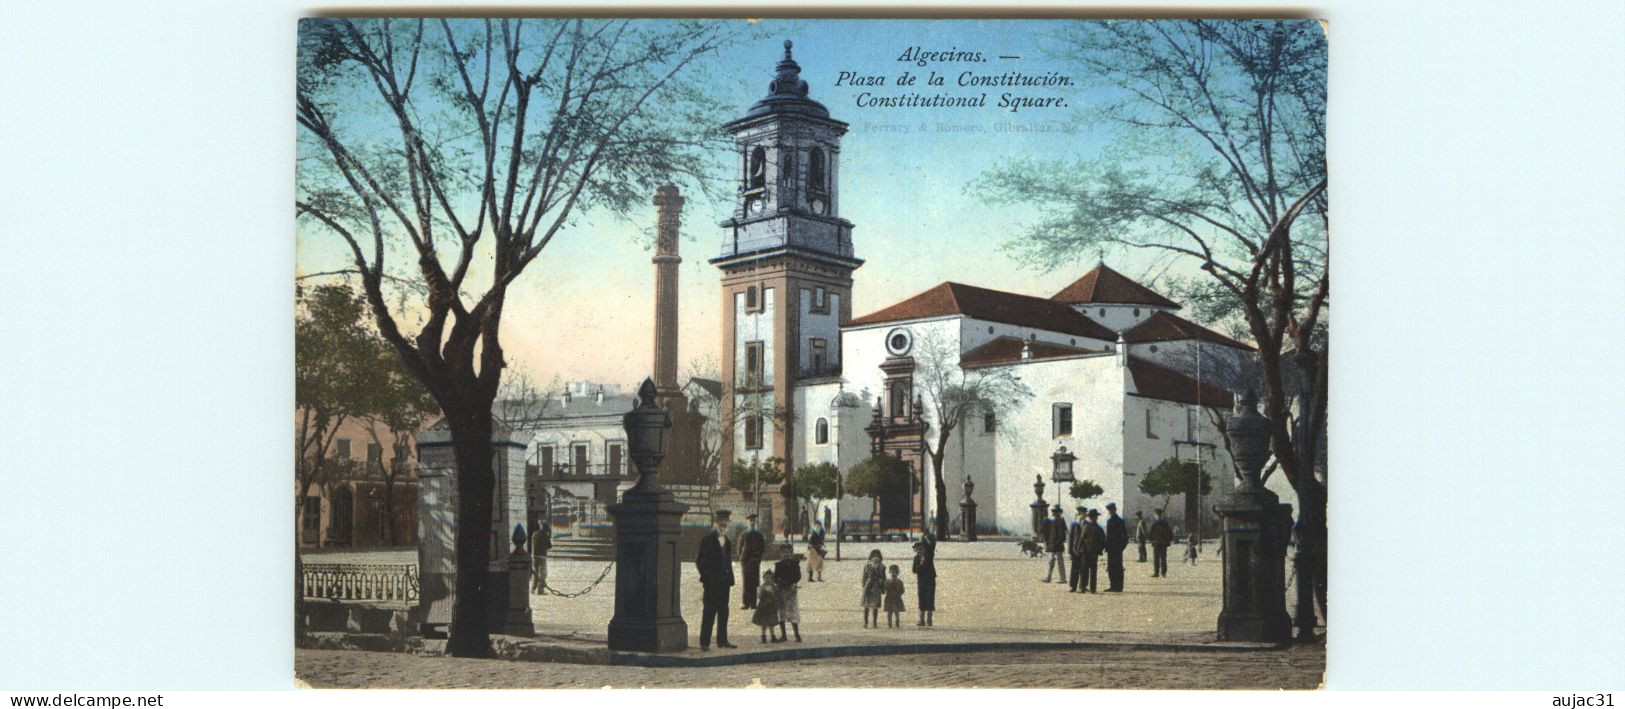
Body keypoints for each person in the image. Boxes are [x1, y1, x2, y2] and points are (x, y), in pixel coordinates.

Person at [695, 509, 738, 650]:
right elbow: (700, 561)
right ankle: (704, 642)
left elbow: (727, 561)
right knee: (709, 612)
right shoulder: (707, 540)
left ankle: (722, 640)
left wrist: (729, 578)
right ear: (716, 522)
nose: (723, 524)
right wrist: (707, 578)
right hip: (711, 584)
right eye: (721, 521)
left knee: (723, 612)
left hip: (724, 583)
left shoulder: (728, 541)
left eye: (725, 522)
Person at [773, 545, 803, 643]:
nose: (786, 554)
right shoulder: (778, 565)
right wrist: (779, 582)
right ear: (781, 554)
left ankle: (796, 634)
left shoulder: (795, 564)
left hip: (790, 591)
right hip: (781, 591)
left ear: (791, 553)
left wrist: (790, 582)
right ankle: (783, 635)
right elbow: (775, 577)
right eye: (784, 552)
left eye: (788, 552)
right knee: (781, 613)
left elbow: (798, 576)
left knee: (792, 612)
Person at [739, 513, 765, 609]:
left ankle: (753, 603)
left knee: (754, 582)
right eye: (751, 521)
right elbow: (739, 548)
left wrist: (758, 558)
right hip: (746, 562)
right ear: (748, 522)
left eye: (754, 521)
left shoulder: (758, 535)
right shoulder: (744, 535)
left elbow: (762, 548)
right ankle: (746, 603)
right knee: (746, 582)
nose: (752, 522)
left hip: (755, 562)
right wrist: (743, 558)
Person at [911, 529, 937, 627]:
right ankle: (921, 619)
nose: (919, 551)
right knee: (921, 599)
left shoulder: (929, 555)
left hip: (930, 579)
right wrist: (920, 565)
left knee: (930, 599)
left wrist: (926, 537)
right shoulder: (916, 559)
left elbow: (932, 546)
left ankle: (929, 619)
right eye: (917, 549)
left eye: (921, 548)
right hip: (921, 581)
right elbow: (914, 570)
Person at [1079, 509, 1106, 593]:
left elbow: (1082, 538)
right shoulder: (1099, 528)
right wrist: (1100, 550)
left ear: (1089, 517)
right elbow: (1103, 541)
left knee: (1084, 570)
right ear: (1096, 517)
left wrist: (1079, 549)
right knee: (1093, 571)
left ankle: (1083, 587)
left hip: (1086, 551)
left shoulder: (1086, 526)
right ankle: (1093, 589)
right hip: (1094, 552)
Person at [750, 570, 782, 643]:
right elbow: (759, 596)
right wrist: (760, 592)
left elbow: (777, 596)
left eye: (770, 578)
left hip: (771, 607)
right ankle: (763, 637)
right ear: (764, 578)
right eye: (767, 578)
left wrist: (774, 597)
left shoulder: (774, 586)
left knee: (771, 623)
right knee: (763, 623)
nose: (768, 580)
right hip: (763, 607)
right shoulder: (762, 587)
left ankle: (773, 636)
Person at [1104, 502, 1129, 592]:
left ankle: (1115, 586)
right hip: (1115, 548)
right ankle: (1117, 586)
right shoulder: (1118, 521)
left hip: (1113, 548)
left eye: (1111, 510)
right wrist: (1122, 547)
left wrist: (1120, 546)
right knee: (1116, 567)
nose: (1110, 512)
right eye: (1109, 510)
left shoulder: (1113, 521)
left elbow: (1124, 536)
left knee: (1114, 567)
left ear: (1114, 510)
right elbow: (1125, 537)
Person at [1041, 505, 1068, 583]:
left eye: (1054, 511)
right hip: (1055, 544)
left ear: (1057, 512)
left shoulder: (1058, 521)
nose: (1052, 512)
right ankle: (1049, 577)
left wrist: (1054, 544)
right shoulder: (1058, 520)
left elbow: (1060, 535)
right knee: (1053, 561)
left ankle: (1061, 578)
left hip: (1057, 545)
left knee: (1058, 562)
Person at [861, 549, 886, 628]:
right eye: (874, 556)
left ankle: (875, 622)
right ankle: (865, 622)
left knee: (875, 607)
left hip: (876, 588)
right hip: (868, 588)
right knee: (866, 606)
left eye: (877, 556)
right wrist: (864, 586)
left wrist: (883, 587)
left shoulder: (882, 567)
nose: (875, 558)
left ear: (880, 557)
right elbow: (864, 577)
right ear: (871, 557)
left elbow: (884, 577)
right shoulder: (867, 566)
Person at [1066, 506, 1088, 592]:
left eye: (1084, 513)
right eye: (1082, 513)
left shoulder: (1087, 524)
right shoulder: (1074, 524)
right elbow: (1070, 538)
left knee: (1084, 568)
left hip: (1084, 550)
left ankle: (1082, 586)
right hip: (1075, 549)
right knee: (1075, 568)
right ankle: (1073, 586)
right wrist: (1070, 551)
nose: (1083, 514)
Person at [528, 520, 552, 594]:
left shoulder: (534, 534)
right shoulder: (545, 534)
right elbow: (549, 546)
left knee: (535, 572)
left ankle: (532, 589)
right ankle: (540, 590)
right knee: (542, 573)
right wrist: (548, 537)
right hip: (542, 556)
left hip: (534, 555)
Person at [1149, 508, 1174, 578]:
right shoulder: (1165, 523)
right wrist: (1169, 540)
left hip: (1157, 543)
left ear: (1157, 515)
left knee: (1158, 558)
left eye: (1157, 515)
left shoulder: (1155, 523)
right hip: (1162, 543)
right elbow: (1170, 533)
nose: (1157, 516)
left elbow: (1150, 533)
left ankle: (1157, 572)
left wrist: (1151, 540)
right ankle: (1162, 573)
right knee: (1162, 558)